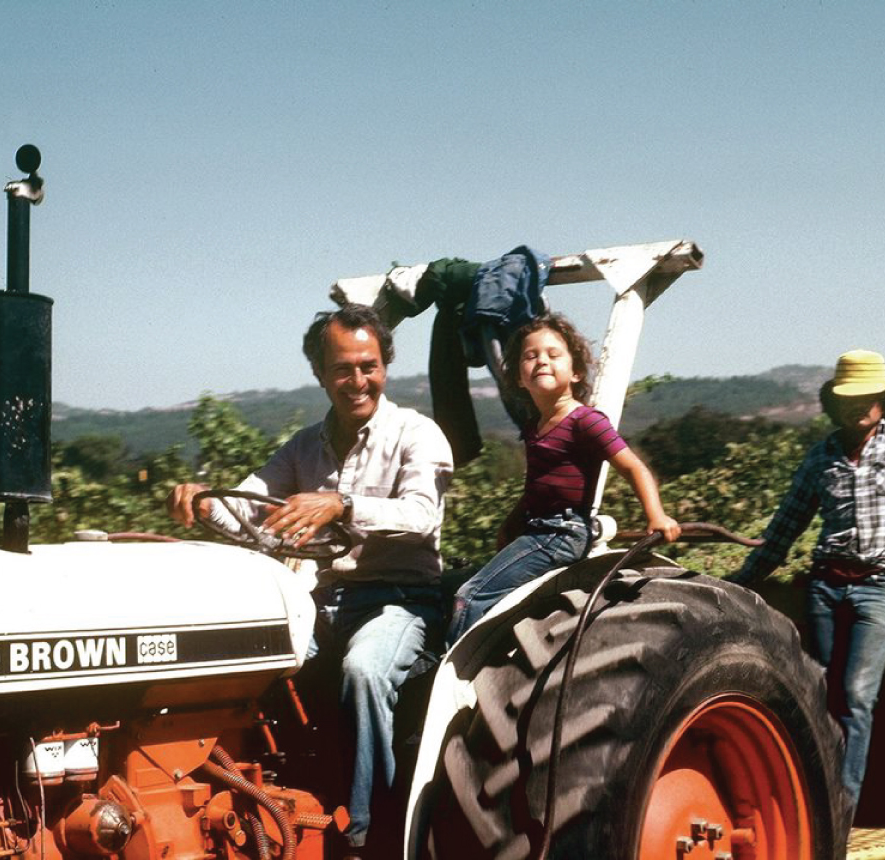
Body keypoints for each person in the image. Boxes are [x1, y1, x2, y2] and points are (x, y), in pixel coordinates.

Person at [166, 304, 453, 856]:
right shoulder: (303, 447)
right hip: (326, 600)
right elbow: (249, 509)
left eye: (368, 366)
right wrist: (200, 499)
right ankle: (265, 799)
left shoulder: (417, 435)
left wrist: (342, 504)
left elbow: (422, 516)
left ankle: (370, 833)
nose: (357, 381)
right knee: (252, 658)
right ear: (321, 374)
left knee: (365, 669)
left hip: (403, 598)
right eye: (342, 369)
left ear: (385, 366)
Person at [729, 349, 885, 814]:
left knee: (856, 696)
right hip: (826, 586)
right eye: (850, 398)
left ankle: (841, 808)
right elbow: (785, 526)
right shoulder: (822, 455)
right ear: (832, 403)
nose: (860, 406)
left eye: (870, 396)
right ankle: (814, 797)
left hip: (879, 585)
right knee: (822, 694)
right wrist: (742, 580)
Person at [445, 312, 680, 645]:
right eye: (531, 356)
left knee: (470, 595)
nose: (542, 361)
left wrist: (656, 515)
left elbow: (633, 467)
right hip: (537, 530)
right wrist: (510, 525)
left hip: (561, 532)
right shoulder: (535, 427)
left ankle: (453, 674)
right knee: (463, 585)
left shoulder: (585, 421)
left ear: (576, 372)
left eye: (553, 355)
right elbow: (537, 488)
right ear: (518, 379)